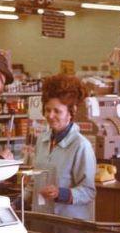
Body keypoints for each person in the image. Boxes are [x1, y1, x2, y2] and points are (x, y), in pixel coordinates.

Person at [30, 75, 96, 220]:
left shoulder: (81, 145)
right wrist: (17, 202)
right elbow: (35, 180)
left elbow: (89, 191)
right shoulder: (42, 140)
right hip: (43, 218)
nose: (50, 115)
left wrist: (61, 193)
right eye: (47, 110)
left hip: (70, 222)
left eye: (57, 111)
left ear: (71, 112)